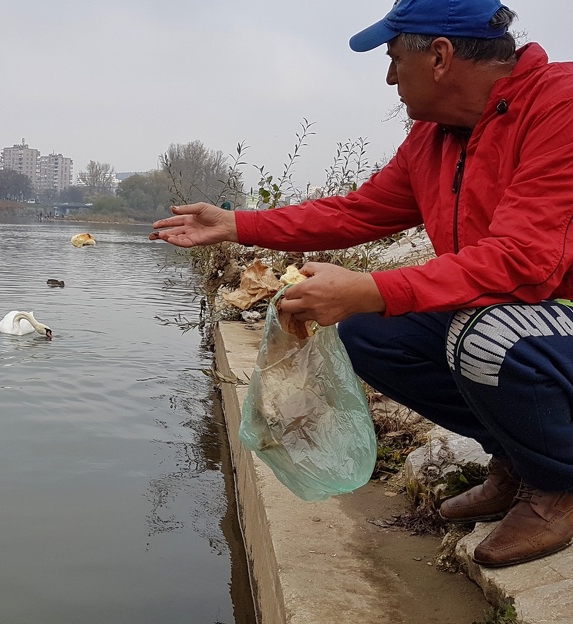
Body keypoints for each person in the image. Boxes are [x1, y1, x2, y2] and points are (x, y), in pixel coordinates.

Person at [150, 0, 573, 569]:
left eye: (396, 58)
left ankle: (558, 486)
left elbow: (522, 260)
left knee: (486, 335)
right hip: (521, 316)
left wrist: (371, 286)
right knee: (368, 334)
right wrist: (236, 223)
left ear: (440, 56)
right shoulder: (434, 138)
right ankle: (517, 460)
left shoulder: (559, 105)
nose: (391, 77)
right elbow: (357, 212)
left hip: (544, 315)